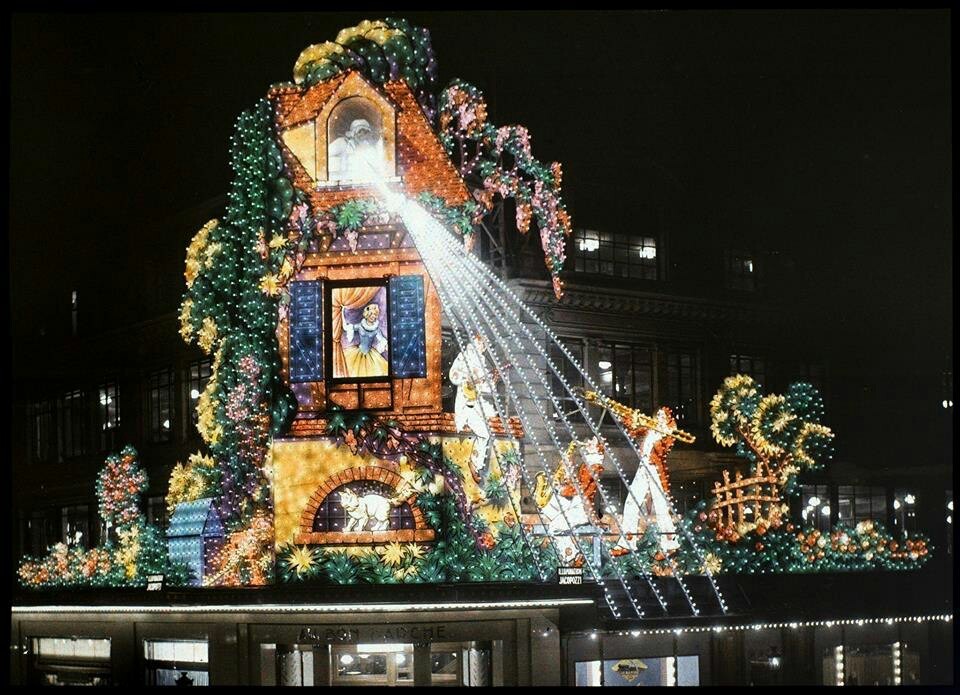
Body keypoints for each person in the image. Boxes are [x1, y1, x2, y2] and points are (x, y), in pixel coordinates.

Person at [618, 407, 679, 554]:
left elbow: (662, 450)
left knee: (661, 506)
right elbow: (633, 431)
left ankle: (670, 544)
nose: (659, 417)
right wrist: (630, 418)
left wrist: (664, 432)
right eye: (658, 414)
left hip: (655, 469)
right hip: (643, 466)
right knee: (631, 501)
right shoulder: (649, 428)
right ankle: (627, 542)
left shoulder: (668, 434)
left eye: (663, 415)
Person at [449, 334, 500, 483]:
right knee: (484, 433)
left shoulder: (482, 362)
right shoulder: (464, 357)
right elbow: (453, 376)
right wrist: (467, 378)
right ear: (476, 342)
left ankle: (476, 465)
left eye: (485, 345)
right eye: (482, 343)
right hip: (466, 404)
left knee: (486, 432)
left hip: (477, 403)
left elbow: (486, 388)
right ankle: (475, 464)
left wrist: (493, 381)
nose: (483, 347)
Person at [342, 303, 389, 378]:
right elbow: (346, 328)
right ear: (367, 315)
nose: (372, 316)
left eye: (374, 314)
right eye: (371, 314)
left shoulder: (376, 329)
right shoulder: (360, 325)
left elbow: (382, 339)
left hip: (370, 354)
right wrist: (342, 312)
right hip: (358, 352)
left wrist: (386, 346)